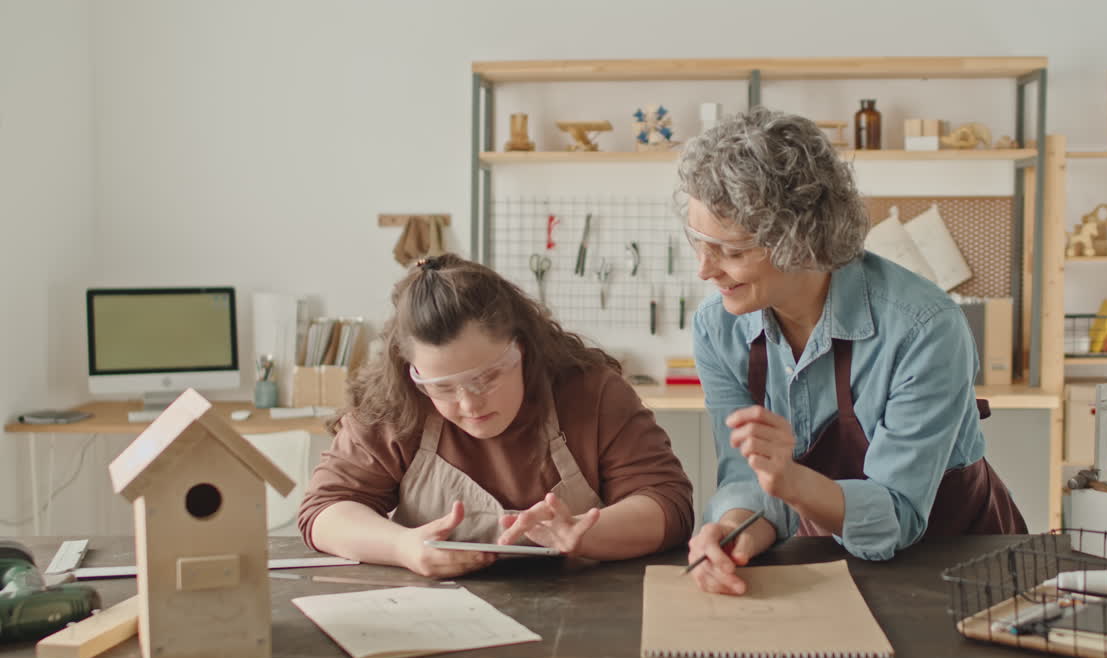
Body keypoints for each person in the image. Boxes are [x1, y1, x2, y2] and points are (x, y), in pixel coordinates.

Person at [680, 107, 1026, 596]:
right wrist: (733, 532)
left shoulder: (923, 329)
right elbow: (748, 479)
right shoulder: (719, 330)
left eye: (731, 252)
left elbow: (898, 517)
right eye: (699, 242)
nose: (705, 271)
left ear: (800, 240)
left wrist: (790, 480)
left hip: (957, 566)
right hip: (829, 570)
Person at [299, 254, 693, 578]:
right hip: (435, 626)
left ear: (521, 348)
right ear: (411, 373)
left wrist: (584, 533)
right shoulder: (394, 403)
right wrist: (402, 547)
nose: (470, 405)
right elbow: (325, 511)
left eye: (487, 377)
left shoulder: (591, 394)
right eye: (443, 387)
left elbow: (668, 504)